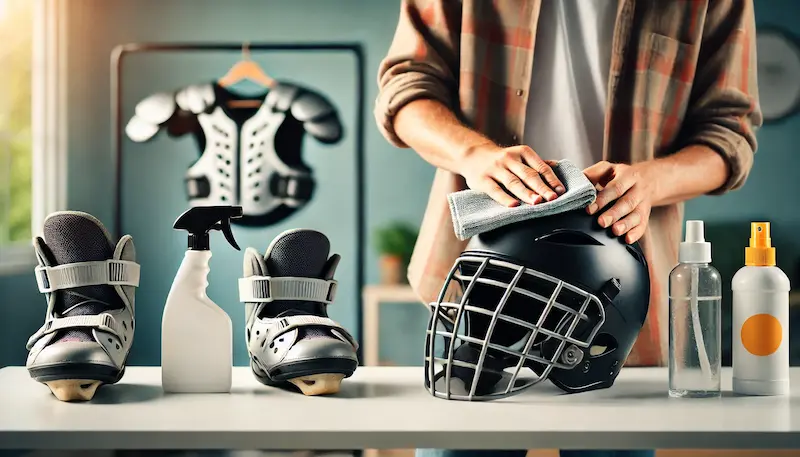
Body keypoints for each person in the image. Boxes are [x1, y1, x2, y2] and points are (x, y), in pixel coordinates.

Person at [374, 1, 761, 457]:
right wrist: (473, 155)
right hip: (483, 277)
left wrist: (651, 181)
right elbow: (405, 86)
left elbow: (730, 133)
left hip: (612, 291)